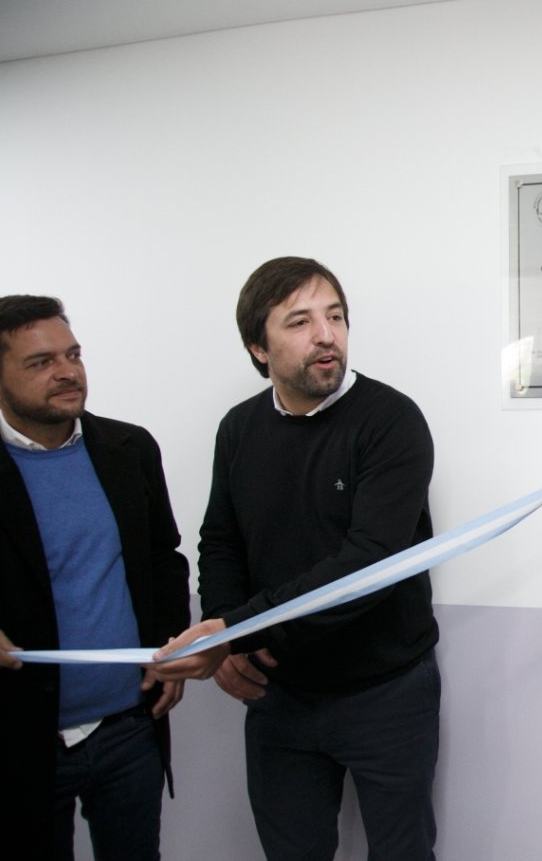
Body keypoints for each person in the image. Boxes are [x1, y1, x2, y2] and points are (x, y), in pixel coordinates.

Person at [153, 258, 440, 861]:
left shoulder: (391, 421)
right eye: (300, 322)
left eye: (335, 317)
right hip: (279, 696)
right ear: (259, 349)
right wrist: (230, 636)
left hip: (386, 693)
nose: (326, 335)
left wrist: (237, 630)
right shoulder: (239, 429)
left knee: (402, 852)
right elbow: (221, 540)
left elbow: (369, 564)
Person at [0, 295, 189, 859]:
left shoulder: (130, 449)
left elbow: (164, 558)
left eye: (73, 354)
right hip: (12, 738)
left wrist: (170, 648)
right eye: (41, 362)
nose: (68, 372)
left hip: (129, 728)